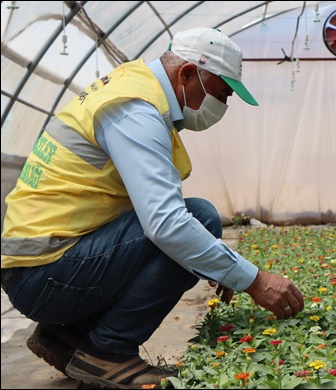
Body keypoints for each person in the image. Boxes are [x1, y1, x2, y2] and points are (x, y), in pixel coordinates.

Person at [1, 27, 305, 389]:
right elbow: (166, 224)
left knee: (193, 228)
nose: (222, 106)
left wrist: (216, 263)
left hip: (39, 268)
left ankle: (66, 336)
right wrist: (252, 279)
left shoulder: (133, 88)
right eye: (221, 94)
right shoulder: (136, 111)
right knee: (200, 219)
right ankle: (107, 352)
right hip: (45, 275)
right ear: (188, 73)